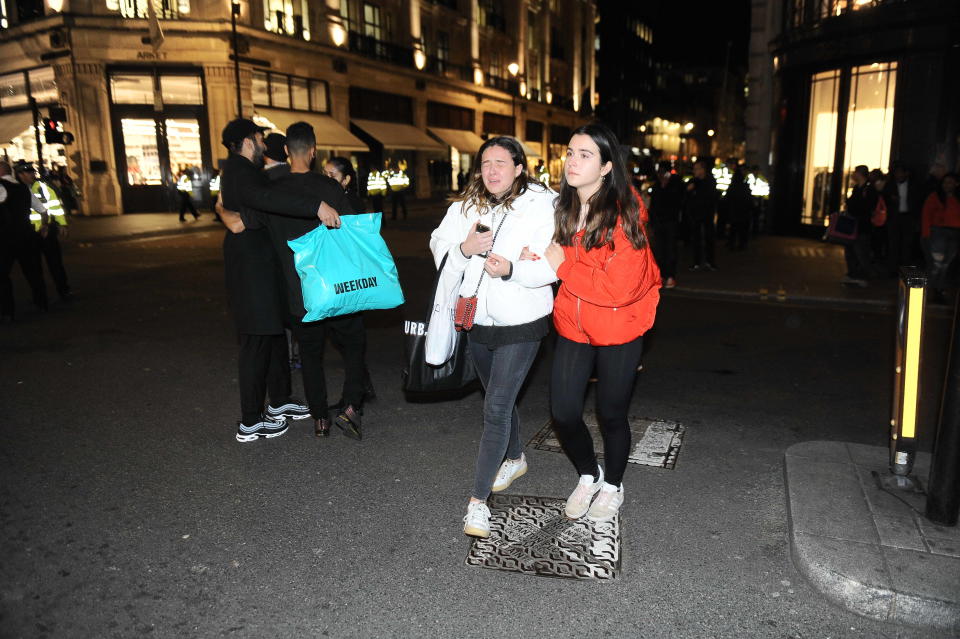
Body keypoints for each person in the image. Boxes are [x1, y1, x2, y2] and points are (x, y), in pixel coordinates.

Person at [430, 136, 557, 538]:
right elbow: (439, 243)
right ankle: (516, 457)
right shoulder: (467, 206)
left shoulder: (544, 206)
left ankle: (477, 503)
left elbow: (551, 263)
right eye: (486, 163)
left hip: (522, 320)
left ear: (519, 167)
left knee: (497, 407)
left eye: (501, 163)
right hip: (476, 318)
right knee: (497, 399)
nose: (492, 170)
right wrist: (464, 248)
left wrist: (513, 270)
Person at [543, 123, 661, 523]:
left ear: (608, 166)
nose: (572, 162)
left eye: (585, 155)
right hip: (573, 325)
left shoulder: (626, 214)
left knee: (611, 414)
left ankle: (613, 485)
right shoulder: (563, 208)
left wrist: (562, 266)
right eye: (570, 153)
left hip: (618, 328)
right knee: (563, 412)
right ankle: (588, 475)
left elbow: (618, 289)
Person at [216, 118, 337, 442]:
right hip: (250, 269)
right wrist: (316, 205)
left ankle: (279, 402)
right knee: (256, 340)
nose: (262, 143)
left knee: (272, 335)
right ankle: (250, 420)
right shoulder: (240, 171)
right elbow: (267, 202)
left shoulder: (244, 172)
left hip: (262, 266)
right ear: (245, 141)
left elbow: (256, 209)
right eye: (258, 137)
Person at [323, 156, 377, 409]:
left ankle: (352, 400)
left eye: (332, 175)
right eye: (324, 173)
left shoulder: (350, 203)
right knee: (343, 338)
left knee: (351, 339)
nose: (326, 179)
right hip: (337, 280)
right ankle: (361, 387)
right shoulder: (329, 201)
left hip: (349, 282)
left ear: (346, 180)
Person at [16, 162, 71, 301]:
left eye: (33, 172)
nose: (32, 175)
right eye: (28, 173)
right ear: (20, 175)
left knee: (55, 263)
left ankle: (63, 290)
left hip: (47, 231)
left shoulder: (42, 187)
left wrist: (62, 224)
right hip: (29, 233)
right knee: (34, 268)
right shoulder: (17, 190)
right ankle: (41, 297)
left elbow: (55, 206)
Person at [0, 160, 47, 321]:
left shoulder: (1, 187)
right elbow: (41, 209)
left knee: (3, 275)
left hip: (6, 239)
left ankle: (7, 311)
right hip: (26, 236)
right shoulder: (24, 189)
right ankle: (42, 302)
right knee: (33, 271)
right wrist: (44, 226)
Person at [921, 172, 960, 304]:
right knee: (936, 264)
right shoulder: (935, 197)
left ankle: (939, 291)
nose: (947, 185)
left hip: (954, 233)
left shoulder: (957, 198)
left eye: (950, 182)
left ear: (956, 184)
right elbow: (926, 215)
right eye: (945, 182)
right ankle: (930, 291)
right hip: (938, 232)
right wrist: (926, 234)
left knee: (946, 265)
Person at [648, 162, 683, 288]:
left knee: (670, 250)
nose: (660, 175)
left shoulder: (676, 184)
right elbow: (653, 206)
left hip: (671, 222)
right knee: (659, 250)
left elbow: (678, 202)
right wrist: (652, 223)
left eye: (663, 172)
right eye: (659, 172)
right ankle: (661, 275)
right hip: (659, 223)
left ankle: (670, 276)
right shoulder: (657, 185)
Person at [842, 165, 878, 287]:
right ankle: (853, 274)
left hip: (862, 226)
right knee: (850, 250)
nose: (852, 174)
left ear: (860, 174)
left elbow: (866, 207)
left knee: (861, 251)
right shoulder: (858, 188)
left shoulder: (868, 189)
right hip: (854, 225)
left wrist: (852, 208)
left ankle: (862, 275)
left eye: (855, 172)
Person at [884, 162, 922, 269]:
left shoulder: (914, 186)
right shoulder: (890, 185)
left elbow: (918, 202)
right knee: (893, 244)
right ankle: (892, 268)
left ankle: (905, 268)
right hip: (894, 217)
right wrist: (891, 200)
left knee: (907, 244)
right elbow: (883, 199)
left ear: (907, 173)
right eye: (896, 173)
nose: (898, 175)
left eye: (901, 173)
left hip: (908, 217)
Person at [684, 159, 718, 271]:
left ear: (703, 170)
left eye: (697, 169)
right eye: (694, 169)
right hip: (695, 215)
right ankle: (696, 262)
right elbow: (686, 195)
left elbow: (710, 197)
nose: (694, 171)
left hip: (707, 214)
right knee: (696, 239)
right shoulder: (693, 181)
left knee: (709, 238)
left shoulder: (710, 181)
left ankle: (710, 261)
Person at [724, 166, 754, 251]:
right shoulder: (744, 186)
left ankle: (731, 243)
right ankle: (742, 244)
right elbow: (749, 199)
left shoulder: (732, 186)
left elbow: (727, 198)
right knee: (743, 229)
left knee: (733, 229)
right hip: (743, 211)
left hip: (734, 211)